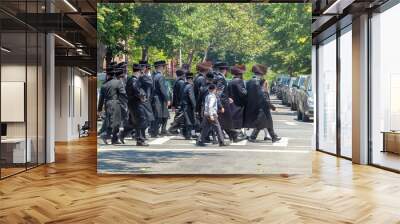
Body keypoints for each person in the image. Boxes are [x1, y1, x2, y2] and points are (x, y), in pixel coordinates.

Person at [244, 64, 281, 143]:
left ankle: (273, 136)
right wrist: (272, 107)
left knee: (267, 121)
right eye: (262, 75)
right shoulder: (257, 83)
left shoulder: (249, 82)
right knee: (263, 122)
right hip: (262, 106)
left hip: (254, 106)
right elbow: (262, 97)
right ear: (260, 74)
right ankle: (253, 136)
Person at [97, 65, 126, 145]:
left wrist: (99, 109)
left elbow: (101, 98)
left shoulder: (104, 84)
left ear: (107, 74)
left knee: (111, 121)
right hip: (116, 103)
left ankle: (113, 138)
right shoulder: (118, 82)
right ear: (114, 74)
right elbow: (123, 94)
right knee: (116, 122)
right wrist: (125, 104)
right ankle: (107, 136)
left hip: (107, 103)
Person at [125, 63, 152, 146]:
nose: (142, 74)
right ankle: (140, 139)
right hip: (136, 103)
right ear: (139, 71)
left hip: (132, 103)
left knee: (137, 121)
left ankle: (139, 139)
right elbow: (136, 90)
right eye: (141, 72)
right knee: (141, 121)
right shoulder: (134, 80)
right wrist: (141, 97)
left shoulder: (130, 79)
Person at [214, 62, 237, 142]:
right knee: (225, 120)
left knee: (223, 120)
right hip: (222, 102)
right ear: (225, 70)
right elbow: (219, 93)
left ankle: (233, 136)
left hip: (223, 101)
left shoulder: (218, 77)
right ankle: (234, 135)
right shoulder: (220, 78)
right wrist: (220, 105)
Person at [149, 60, 170, 137]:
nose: (164, 68)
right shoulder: (160, 76)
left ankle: (161, 130)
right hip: (159, 99)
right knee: (157, 116)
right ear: (160, 67)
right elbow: (162, 89)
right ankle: (154, 132)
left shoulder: (154, 76)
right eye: (164, 66)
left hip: (155, 98)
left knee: (164, 115)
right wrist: (167, 99)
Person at [227, 65, 248, 142]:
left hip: (232, 103)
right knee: (238, 121)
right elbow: (242, 93)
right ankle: (237, 136)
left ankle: (233, 136)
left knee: (233, 120)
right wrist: (247, 91)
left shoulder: (231, 81)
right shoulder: (239, 81)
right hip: (238, 104)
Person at [168, 69, 186, 135]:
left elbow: (174, 94)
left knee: (178, 116)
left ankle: (174, 129)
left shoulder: (176, 81)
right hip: (180, 102)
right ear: (182, 75)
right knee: (179, 117)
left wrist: (173, 104)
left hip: (177, 102)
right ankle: (172, 129)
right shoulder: (181, 82)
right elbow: (181, 94)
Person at [180, 72, 196, 139]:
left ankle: (186, 134)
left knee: (186, 120)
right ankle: (188, 134)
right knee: (189, 120)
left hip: (183, 105)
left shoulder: (183, 85)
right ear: (191, 79)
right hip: (188, 106)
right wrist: (195, 106)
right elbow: (191, 97)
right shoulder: (190, 86)